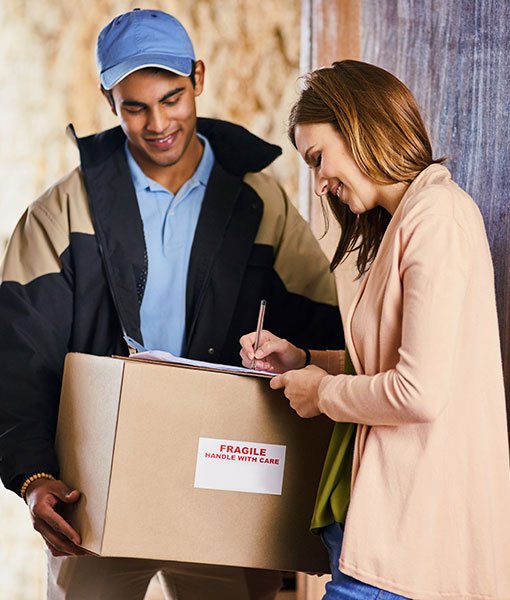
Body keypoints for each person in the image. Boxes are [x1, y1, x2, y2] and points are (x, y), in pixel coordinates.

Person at [0, 9, 344, 600]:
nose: (158, 122)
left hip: (225, 486)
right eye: (135, 106)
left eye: (172, 97)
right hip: (98, 492)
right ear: (110, 101)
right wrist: (33, 478)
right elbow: (17, 358)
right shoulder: (62, 213)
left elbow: (324, 334)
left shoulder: (262, 203)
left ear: (199, 79)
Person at [240, 60, 510, 599]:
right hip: (375, 532)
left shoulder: (436, 221)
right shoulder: (406, 224)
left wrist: (322, 392)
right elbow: (393, 361)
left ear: (358, 125)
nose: (319, 184)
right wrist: (304, 360)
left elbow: (418, 391)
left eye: (318, 159)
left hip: (408, 546)